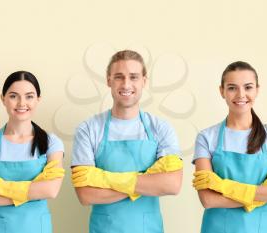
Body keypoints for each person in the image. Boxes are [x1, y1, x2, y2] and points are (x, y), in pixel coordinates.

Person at [71, 50, 183, 233]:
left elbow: (172, 184)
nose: (126, 84)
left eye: (133, 77)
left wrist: (105, 180)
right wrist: (147, 181)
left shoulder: (160, 129)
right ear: (108, 80)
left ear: (144, 81)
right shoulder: (89, 129)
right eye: (119, 77)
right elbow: (85, 194)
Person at [192, 61, 267, 233]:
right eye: (232, 88)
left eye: (248, 87)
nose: (241, 95)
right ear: (221, 91)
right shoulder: (206, 137)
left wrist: (226, 188)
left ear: (257, 90)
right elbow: (208, 200)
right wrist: (263, 195)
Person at [0, 71, 65, 233]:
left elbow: (51, 190)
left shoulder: (51, 142)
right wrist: (33, 191)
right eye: (13, 96)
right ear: (3, 99)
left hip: (37, 227)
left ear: (38, 100)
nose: (21, 103)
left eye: (29, 96)